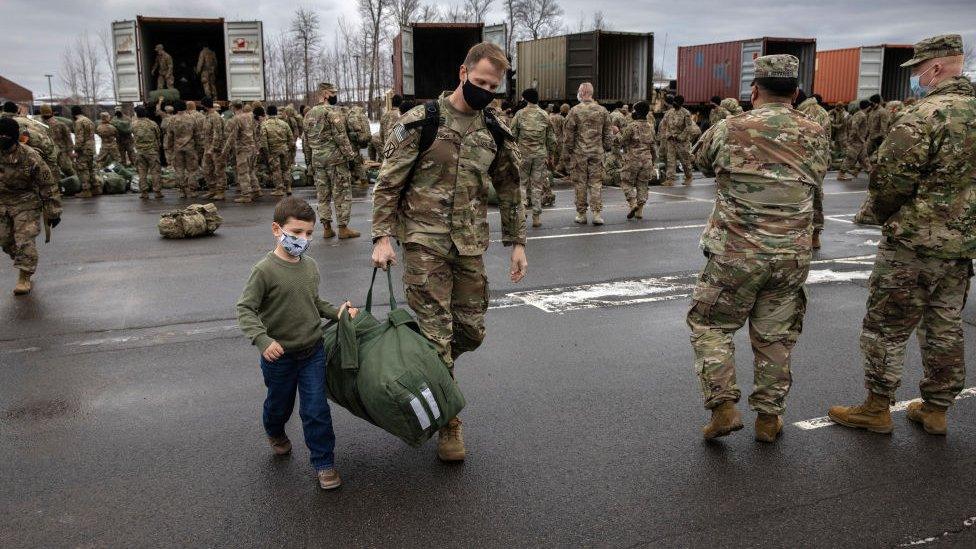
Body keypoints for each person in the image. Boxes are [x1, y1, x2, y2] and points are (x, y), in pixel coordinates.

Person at [371, 41, 528, 462]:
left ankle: (422, 359)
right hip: (424, 245)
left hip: (469, 244)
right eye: (479, 82)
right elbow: (388, 184)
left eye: (493, 87)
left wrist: (517, 243)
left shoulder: (494, 130)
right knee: (438, 335)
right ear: (462, 73)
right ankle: (449, 425)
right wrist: (382, 237)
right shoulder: (422, 122)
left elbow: (512, 188)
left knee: (471, 331)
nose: (485, 91)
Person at [827, 34, 976, 437]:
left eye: (919, 71)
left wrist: (878, 214)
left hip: (912, 244)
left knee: (886, 326)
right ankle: (936, 409)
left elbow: (889, 180)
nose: (917, 78)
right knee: (945, 324)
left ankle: (876, 407)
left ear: (938, 67)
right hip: (960, 246)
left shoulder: (924, 115)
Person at [688, 54, 829, 443]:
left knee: (711, 324)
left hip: (736, 252)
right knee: (776, 336)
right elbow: (817, 178)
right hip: (790, 256)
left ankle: (723, 408)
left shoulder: (729, 127)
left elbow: (699, 162)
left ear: (754, 92)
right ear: (796, 92)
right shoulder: (815, 131)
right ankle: (769, 419)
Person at [236, 197, 356, 490]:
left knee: (316, 409)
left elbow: (314, 301)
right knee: (279, 406)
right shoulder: (264, 270)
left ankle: (324, 462)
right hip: (279, 358)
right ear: (277, 229)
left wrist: (338, 313)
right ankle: (275, 431)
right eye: (296, 232)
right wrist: (263, 340)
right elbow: (245, 308)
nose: (303, 239)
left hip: (312, 351)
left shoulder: (310, 266)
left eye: (309, 233)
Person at [0, 117, 61, 295]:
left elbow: (47, 183)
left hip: (25, 201)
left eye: (5, 135)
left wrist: (53, 211)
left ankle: (24, 276)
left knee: (24, 239)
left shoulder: (29, 155)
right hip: (2, 202)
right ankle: (23, 257)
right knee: (4, 241)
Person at [304, 83, 359, 240]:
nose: (335, 95)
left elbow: (306, 142)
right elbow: (341, 137)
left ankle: (327, 228)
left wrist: (309, 163)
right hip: (335, 160)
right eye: (333, 93)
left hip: (318, 161)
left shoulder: (309, 114)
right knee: (341, 193)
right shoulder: (331, 113)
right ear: (326, 94)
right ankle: (343, 228)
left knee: (323, 195)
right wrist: (351, 157)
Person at [563, 82, 611, 225]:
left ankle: (581, 214)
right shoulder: (602, 110)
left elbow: (568, 134)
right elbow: (608, 133)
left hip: (580, 153)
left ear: (582, 93)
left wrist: (569, 150)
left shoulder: (574, 111)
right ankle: (597, 214)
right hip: (597, 152)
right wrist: (606, 147)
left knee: (580, 184)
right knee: (596, 183)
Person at [511, 88, 555, 228]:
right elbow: (551, 138)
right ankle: (536, 217)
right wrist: (551, 155)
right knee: (537, 185)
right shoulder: (544, 115)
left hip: (523, 154)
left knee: (522, 184)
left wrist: (513, 153)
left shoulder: (520, 114)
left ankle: (522, 212)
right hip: (540, 155)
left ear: (526, 99)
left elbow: (512, 135)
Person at [796, 89, 831, 250]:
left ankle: (815, 234)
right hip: (812, 161)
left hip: (812, 162)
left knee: (814, 197)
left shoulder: (811, 112)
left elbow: (809, 141)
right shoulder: (809, 110)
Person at [617, 101, 657, 220]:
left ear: (637, 112)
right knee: (643, 184)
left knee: (626, 182)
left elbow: (621, 141)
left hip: (633, 159)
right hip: (647, 160)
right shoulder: (650, 127)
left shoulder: (632, 126)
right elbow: (653, 146)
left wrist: (616, 133)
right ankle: (640, 211)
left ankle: (632, 203)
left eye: (634, 110)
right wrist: (653, 161)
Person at [223, 101, 259, 203]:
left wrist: (225, 150)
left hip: (242, 149)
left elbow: (231, 136)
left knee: (243, 172)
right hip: (251, 147)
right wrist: (256, 146)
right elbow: (255, 132)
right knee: (251, 171)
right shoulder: (250, 117)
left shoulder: (236, 119)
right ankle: (256, 190)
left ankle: (246, 195)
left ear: (233, 107)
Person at [163, 101, 199, 199]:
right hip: (190, 147)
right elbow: (197, 134)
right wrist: (198, 147)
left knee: (179, 170)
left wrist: (169, 149)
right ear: (185, 108)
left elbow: (169, 136)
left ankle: (182, 191)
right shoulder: (192, 118)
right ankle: (193, 191)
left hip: (177, 148)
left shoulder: (172, 120)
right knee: (192, 170)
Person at [659, 95, 695, 186]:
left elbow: (689, 128)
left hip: (682, 142)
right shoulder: (669, 113)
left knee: (685, 161)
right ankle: (670, 179)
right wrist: (666, 135)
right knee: (671, 160)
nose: (674, 104)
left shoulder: (686, 113)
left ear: (681, 104)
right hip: (671, 141)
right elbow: (664, 125)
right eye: (674, 102)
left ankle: (689, 177)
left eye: (677, 103)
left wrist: (680, 137)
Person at [261, 106, 295, 197]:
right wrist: (290, 149)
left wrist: (267, 155)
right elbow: (291, 138)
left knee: (276, 170)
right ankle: (288, 187)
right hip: (284, 149)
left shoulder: (265, 124)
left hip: (273, 151)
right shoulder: (284, 124)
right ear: (276, 113)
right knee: (286, 169)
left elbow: (264, 142)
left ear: (267, 113)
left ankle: (279, 188)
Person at [131, 106, 163, 200]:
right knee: (155, 172)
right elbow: (158, 135)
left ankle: (144, 192)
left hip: (140, 152)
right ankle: (157, 192)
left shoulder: (134, 124)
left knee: (142, 172)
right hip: (152, 151)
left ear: (137, 114)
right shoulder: (152, 124)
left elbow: (133, 135)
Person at [199, 97, 227, 201]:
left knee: (219, 170)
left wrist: (213, 148)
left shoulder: (215, 117)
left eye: (202, 106)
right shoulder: (207, 116)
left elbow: (217, 134)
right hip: (207, 148)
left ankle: (220, 191)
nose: (201, 108)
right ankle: (212, 189)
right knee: (207, 170)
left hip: (216, 149)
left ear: (205, 105)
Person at [837, 100, 872, 180]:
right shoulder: (861, 115)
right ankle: (841, 174)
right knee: (850, 157)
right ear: (868, 106)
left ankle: (870, 173)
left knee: (863, 158)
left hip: (859, 141)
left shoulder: (859, 114)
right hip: (856, 141)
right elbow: (854, 127)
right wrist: (853, 139)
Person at [39, 106, 75, 178]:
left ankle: (76, 184)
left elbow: (68, 138)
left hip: (61, 152)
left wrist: (70, 151)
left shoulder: (60, 124)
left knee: (68, 169)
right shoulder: (39, 125)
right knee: (54, 172)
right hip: (49, 152)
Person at [71, 106, 97, 198]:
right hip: (91, 148)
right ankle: (96, 188)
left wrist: (76, 150)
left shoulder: (79, 122)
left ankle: (86, 190)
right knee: (90, 168)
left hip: (83, 149)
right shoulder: (88, 120)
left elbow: (80, 138)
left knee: (83, 169)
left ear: (73, 113)